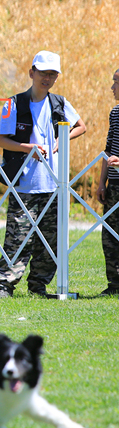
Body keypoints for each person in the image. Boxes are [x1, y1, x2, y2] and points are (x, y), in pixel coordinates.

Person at [0, 51, 86, 298]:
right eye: (43, 73)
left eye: (52, 74)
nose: (47, 78)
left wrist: (59, 140)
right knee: (17, 237)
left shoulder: (60, 103)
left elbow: (81, 127)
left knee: (50, 239)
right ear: (31, 72)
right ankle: (5, 285)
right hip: (24, 181)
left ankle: (39, 285)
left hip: (54, 183)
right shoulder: (13, 104)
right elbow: (2, 139)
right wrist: (27, 148)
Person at [99, 68, 119, 296]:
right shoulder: (115, 113)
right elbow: (108, 149)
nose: (113, 88)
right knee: (110, 236)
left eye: (116, 82)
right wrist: (101, 181)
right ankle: (114, 284)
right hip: (113, 185)